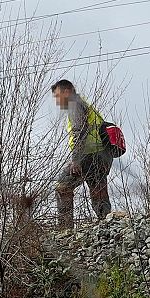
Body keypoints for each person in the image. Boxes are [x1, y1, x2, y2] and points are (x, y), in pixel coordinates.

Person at [51, 78, 113, 230]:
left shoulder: (75, 104)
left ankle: (65, 229)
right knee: (98, 193)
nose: (57, 102)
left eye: (58, 96)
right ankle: (107, 226)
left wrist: (76, 160)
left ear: (67, 91)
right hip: (102, 156)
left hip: (88, 156)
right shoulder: (86, 105)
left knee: (62, 186)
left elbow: (80, 132)